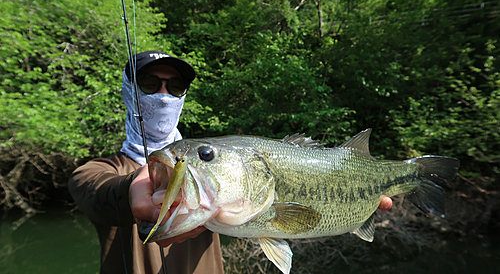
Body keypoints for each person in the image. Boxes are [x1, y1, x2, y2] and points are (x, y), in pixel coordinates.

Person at [69, 50, 393, 274]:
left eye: (176, 86)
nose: (164, 94)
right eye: (150, 84)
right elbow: (94, 191)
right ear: (129, 91)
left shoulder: (207, 160)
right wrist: (130, 190)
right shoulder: (102, 170)